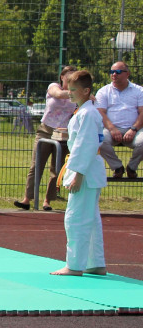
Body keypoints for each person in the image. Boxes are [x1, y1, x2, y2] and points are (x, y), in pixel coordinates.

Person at [52, 70, 106, 276]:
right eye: (68, 89)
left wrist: (78, 174)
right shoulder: (85, 111)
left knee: (76, 219)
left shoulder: (88, 113)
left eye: (74, 90)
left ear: (86, 90)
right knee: (90, 220)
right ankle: (96, 263)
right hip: (87, 170)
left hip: (85, 172)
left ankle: (74, 266)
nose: (70, 93)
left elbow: (87, 145)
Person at [13, 66, 77, 211]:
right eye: (69, 78)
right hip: (46, 130)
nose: (71, 81)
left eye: (75, 79)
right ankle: (27, 199)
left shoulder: (76, 93)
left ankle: (48, 200)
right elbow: (58, 94)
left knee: (57, 168)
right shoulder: (54, 87)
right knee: (36, 165)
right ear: (62, 77)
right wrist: (77, 92)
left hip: (64, 133)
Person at [95, 61, 143, 179]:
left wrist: (133, 129)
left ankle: (131, 168)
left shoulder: (139, 91)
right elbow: (100, 113)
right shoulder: (103, 91)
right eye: (112, 72)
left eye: (118, 72)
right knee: (98, 139)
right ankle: (117, 167)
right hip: (110, 130)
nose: (114, 74)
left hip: (134, 130)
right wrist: (112, 129)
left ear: (128, 74)